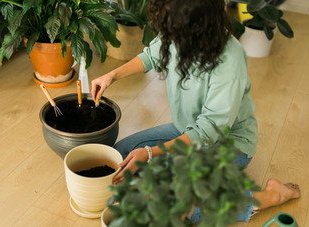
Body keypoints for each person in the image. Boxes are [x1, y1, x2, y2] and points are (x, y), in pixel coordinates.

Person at [91, 0, 300, 222]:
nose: (168, 36)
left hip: (229, 143)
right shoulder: (177, 28)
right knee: (120, 154)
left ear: (198, 26)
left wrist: (151, 153)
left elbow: (209, 129)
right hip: (186, 131)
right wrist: (111, 75)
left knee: (181, 207)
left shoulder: (230, 57)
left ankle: (267, 196)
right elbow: (151, 55)